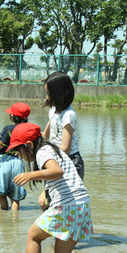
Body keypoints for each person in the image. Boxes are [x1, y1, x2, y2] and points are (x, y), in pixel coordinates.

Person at [7, 123, 93, 253]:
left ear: (28, 145)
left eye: (18, 150)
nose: (19, 155)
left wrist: (31, 175)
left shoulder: (42, 152)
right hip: (82, 204)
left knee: (33, 235)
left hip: (68, 206)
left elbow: (57, 171)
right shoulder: (54, 149)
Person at [40, 71, 85, 211]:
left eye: (49, 93)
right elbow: (46, 135)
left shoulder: (69, 115)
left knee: (60, 205)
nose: (47, 97)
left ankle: (65, 230)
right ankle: (58, 230)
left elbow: (65, 147)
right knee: (44, 202)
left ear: (60, 94)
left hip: (70, 162)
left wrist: (46, 153)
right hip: (55, 160)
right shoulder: (52, 111)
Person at [0, 102, 30, 210]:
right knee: (15, 197)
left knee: (2, 194)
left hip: (5, 162)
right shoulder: (27, 129)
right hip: (19, 162)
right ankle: (14, 221)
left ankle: (4, 219)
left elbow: (1, 143)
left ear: (12, 116)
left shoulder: (9, 128)